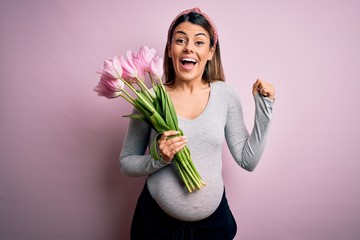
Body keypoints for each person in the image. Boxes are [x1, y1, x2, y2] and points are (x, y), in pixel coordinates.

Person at [120, 7, 275, 240]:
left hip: (212, 227)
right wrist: (159, 159)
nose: (189, 47)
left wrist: (264, 107)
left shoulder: (225, 95)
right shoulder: (150, 99)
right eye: (180, 40)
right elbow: (126, 162)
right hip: (155, 225)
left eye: (199, 42)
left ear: (211, 51)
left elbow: (247, 160)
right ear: (170, 50)